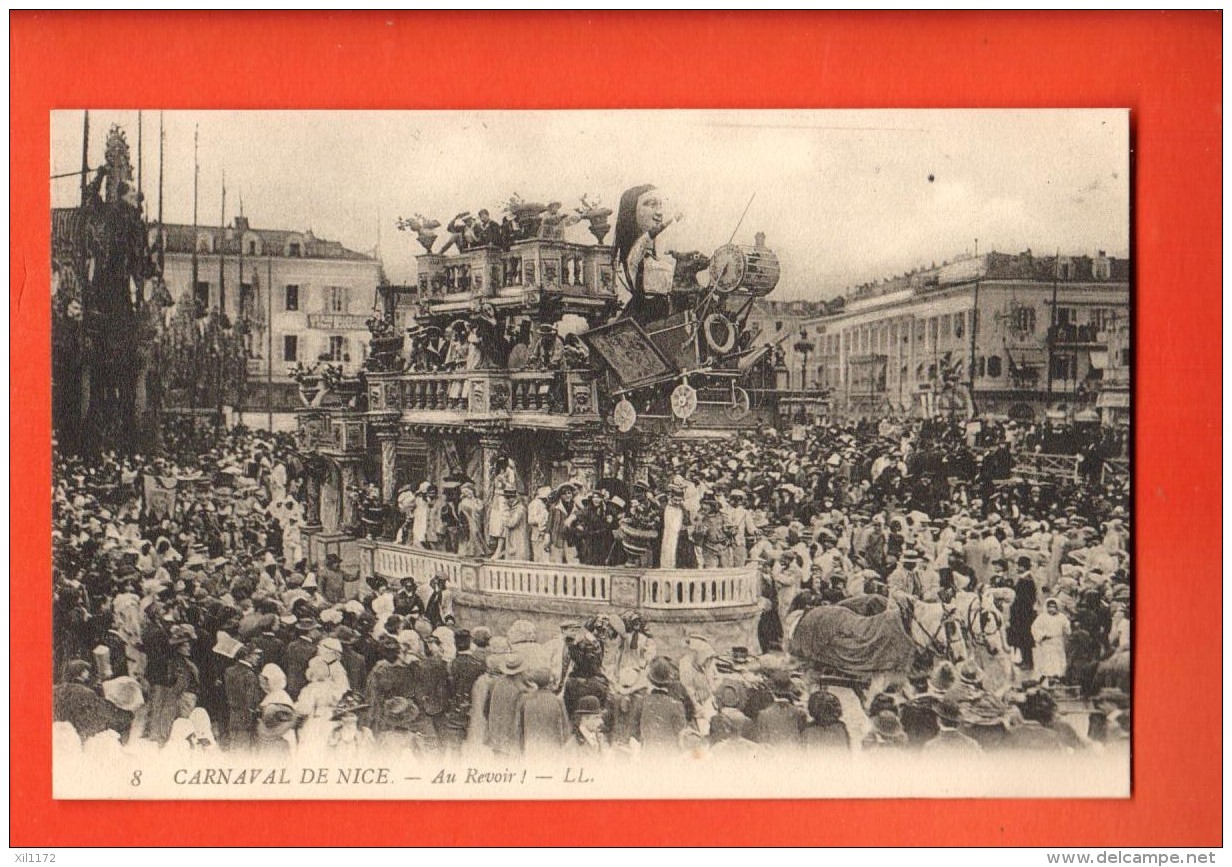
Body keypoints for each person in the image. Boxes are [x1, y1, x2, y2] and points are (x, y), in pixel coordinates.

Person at [1031, 598, 1071, 686]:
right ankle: (1048, 679)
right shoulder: (1042, 617)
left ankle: (1058, 678)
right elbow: (1035, 628)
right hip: (1047, 643)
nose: (1051, 609)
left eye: (1054, 607)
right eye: (1050, 607)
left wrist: (1067, 627)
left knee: (1059, 661)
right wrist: (1042, 635)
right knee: (1048, 662)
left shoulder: (1062, 617)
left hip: (1058, 642)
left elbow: (1067, 629)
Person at [496, 487, 530, 561]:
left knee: (518, 558)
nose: (506, 501)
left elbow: (511, 523)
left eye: (507, 499)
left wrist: (505, 513)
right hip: (512, 538)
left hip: (518, 538)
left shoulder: (520, 509)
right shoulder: (514, 508)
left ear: (512, 499)